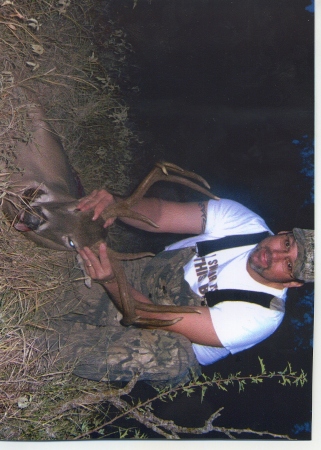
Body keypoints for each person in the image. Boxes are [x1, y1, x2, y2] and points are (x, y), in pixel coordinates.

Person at [77, 191, 314, 366]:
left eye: (289, 264)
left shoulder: (261, 316)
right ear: (284, 233)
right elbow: (160, 214)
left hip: (167, 339)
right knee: (72, 272)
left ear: (293, 283)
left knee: (78, 348)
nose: (274, 255)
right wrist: (119, 205)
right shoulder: (244, 224)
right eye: (286, 244)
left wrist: (110, 281)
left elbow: (151, 316)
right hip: (148, 276)